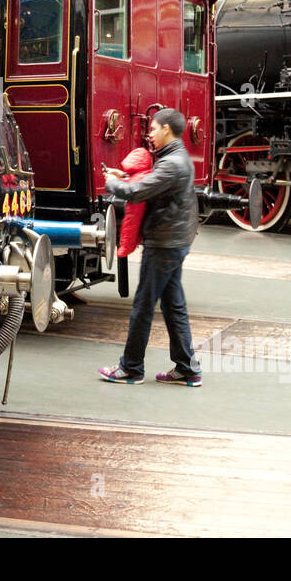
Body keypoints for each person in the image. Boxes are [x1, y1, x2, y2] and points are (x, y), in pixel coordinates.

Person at [97, 107, 202, 386]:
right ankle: (187, 369)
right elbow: (149, 184)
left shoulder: (171, 164)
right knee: (173, 305)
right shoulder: (176, 158)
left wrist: (112, 184)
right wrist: (124, 174)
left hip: (165, 242)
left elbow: (138, 191)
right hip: (175, 240)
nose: (150, 134)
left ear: (167, 129)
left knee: (143, 305)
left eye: (154, 129)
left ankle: (131, 368)